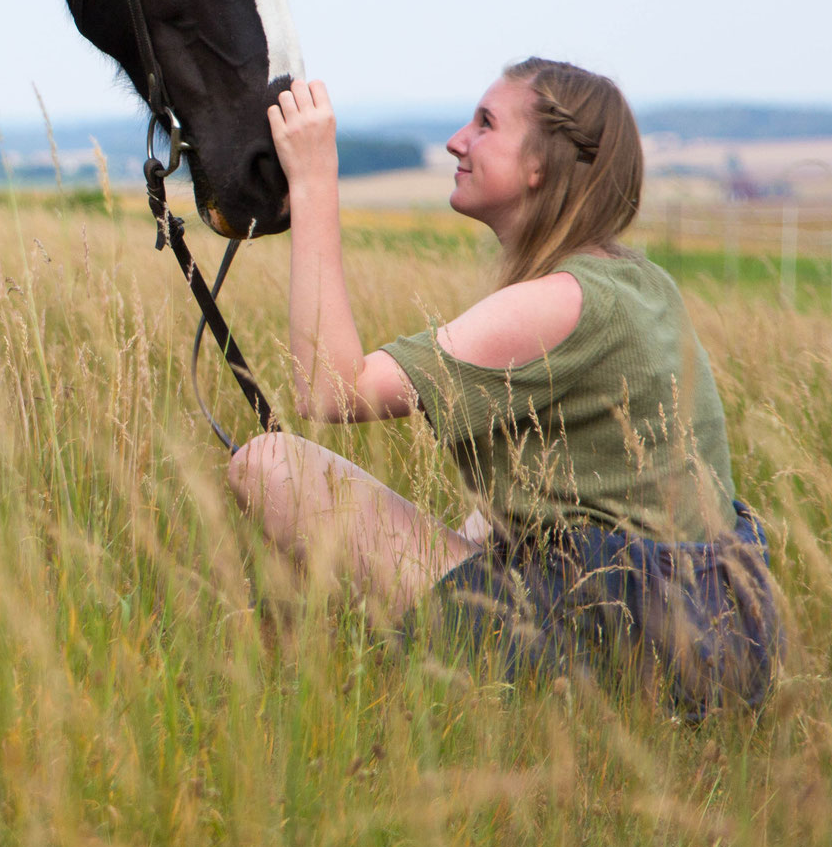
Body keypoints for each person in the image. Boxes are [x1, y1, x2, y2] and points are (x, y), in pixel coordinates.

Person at [230, 58, 780, 715]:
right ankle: (374, 660)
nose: (456, 141)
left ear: (539, 167)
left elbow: (329, 389)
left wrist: (315, 181)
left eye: (485, 123)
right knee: (488, 517)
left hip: (636, 648)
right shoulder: (637, 283)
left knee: (271, 464)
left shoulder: (559, 300)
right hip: (714, 639)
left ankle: (362, 682)